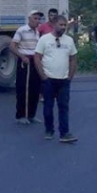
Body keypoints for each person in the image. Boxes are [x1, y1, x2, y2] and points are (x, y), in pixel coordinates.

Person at [35, 15, 78, 143]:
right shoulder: (44, 39)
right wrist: (43, 75)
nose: (63, 27)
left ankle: (64, 133)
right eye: (61, 25)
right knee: (48, 106)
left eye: (65, 25)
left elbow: (73, 58)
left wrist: (70, 76)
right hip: (49, 79)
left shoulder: (69, 41)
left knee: (63, 107)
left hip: (64, 80)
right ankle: (49, 129)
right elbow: (37, 57)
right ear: (54, 25)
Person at [10, 10, 44, 124]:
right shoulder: (22, 30)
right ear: (29, 18)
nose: (37, 21)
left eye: (39, 19)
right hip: (25, 61)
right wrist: (21, 56)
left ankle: (31, 115)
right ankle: (20, 115)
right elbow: (12, 46)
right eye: (35, 18)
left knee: (35, 88)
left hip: (35, 60)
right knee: (23, 88)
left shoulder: (38, 32)